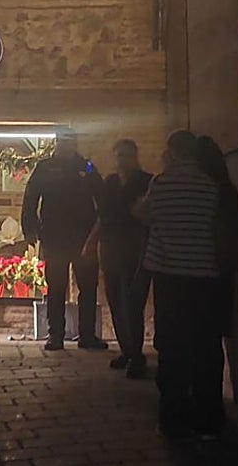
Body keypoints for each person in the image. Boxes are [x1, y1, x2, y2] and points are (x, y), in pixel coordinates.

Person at [136, 130, 224, 439]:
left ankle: (172, 419)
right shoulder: (210, 185)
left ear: (172, 152)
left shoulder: (162, 183)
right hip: (204, 274)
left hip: (169, 275)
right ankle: (207, 420)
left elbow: (146, 215)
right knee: (204, 344)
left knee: (172, 345)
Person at [21, 128, 107, 351]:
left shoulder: (86, 167)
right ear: (57, 143)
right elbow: (30, 197)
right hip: (54, 236)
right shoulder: (45, 168)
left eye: (70, 142)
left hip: (83, 238)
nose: (66, 145)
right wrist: (29, 228)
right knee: (56, 287)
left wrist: (99, 232)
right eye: (62, 141)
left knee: (87, 287)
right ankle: (55, 335)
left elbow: (102, 197)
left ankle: (87, 335)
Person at [84, 139, 153, 378]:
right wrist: (91, 242)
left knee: (133, 303)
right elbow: (103, 217)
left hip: (136, 251)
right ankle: (127, 350)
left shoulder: (146, 182)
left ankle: (137, 355)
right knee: (115, 301)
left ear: (135, 157)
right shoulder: (110, 183)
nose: (122, 160)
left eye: (126, 155)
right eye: (119, 155)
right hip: (111, 250)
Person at [194, 135, 238, 339]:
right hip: (225, 263)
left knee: (202, 328)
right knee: (222, 325)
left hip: (203, 263)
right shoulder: (227, 189)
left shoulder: (203, 191)